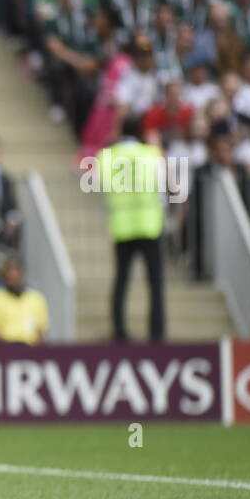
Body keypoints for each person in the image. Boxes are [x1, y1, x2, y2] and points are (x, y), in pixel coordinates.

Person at [101, 116, 166, 341]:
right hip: (149, 225)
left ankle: (119, 332)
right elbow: (163, 183)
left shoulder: (107, 156)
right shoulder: (151, 154)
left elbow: (99, 184)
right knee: (155, 283)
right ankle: (156, 334)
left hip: (122, 226)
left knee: (121, 281)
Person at [0, 255, 49, 344]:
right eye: (9, 273)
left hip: (31, 350)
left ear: (22, 274)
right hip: (4, 350)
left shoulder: (37, 298)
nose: (13, 276)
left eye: (16, 272)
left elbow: (41, 331)